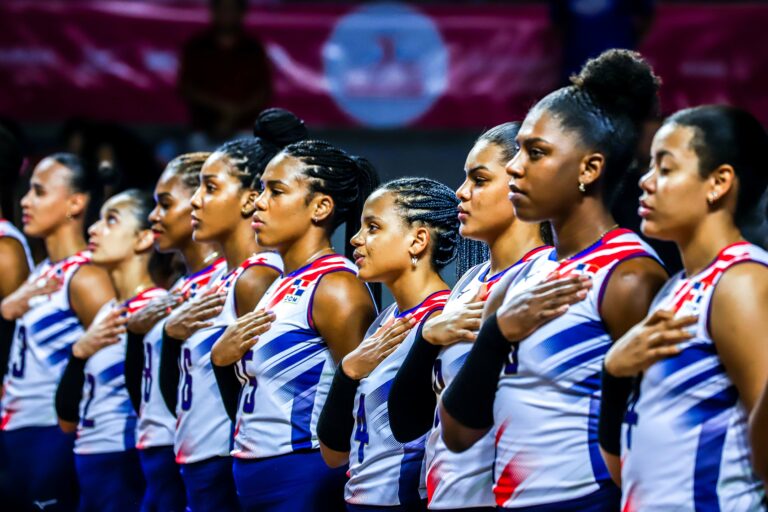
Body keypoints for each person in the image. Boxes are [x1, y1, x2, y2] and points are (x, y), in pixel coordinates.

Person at [439, 49, 668, 510]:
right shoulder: (514, 283)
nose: (514, 168)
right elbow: (460, 434)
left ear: (589, 168)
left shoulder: (628, 277)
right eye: (519, 149)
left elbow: (656, 449)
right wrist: (497, 332)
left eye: (536, 152)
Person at [599, 105, 768, 510]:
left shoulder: (741, 282)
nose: (646, 181)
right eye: (649, 165)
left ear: (718, 183)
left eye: (666, 168)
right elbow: (623, 469)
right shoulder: (676, 287)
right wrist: (614, 373)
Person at [387, 123, 551, 511]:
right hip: (445, 494)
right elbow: (408, 423)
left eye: (479, 179)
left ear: (521, 180)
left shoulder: (544, 276)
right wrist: (427, 337)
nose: (461, 192)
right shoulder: (469, 282)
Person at [210, 139, 379, 511]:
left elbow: (362, 407)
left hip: (305, 476)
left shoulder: (337, 288)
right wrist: (222, 364)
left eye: (276, 190)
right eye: (261, 189)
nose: (259, 202)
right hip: (255, 475)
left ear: (320, 207)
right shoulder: (277, 283)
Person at [160, 109, 307, 512]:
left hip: (229, 461)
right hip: (198, 459)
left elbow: (253, 390)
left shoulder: (257, 278)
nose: (195, 200)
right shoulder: (223, 279)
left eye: (209, 187)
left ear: (247, 199)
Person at [317, 177, 466, 511]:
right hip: (360, 500)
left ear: (418, 240)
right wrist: (347, 372)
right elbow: (334, 453)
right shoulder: (383, 321)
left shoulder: (445, 318)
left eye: (373, 227)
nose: (355, 240)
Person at [0, 153, 115, 511]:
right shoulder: (44, 272)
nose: (25, 201)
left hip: (52, 435)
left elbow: (113, 364)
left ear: (75, 203)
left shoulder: (87, 276)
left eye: (38, 192)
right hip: (17, 434)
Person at [124, 153, 225, 512]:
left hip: (201, 456)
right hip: (162, 451)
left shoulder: (228, 280)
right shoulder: (181, 285)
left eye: (165, 204)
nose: (154, 217)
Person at [55, 189, 165, 512]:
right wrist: (78, 353)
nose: (93, 229)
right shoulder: (107, 312)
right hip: (89, 462)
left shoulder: (156, 308)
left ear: (144, 238)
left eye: (111, 220)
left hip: (127, 462)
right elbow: (66, 418)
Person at [179, 0, 272, 147]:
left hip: (245, 131)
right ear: (213, 12)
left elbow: (264, 91)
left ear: (241, 14)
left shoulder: (253, 49)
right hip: (204, 131)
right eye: (222, 9)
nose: (226, 15)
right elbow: (186, 88)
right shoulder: (197, 47)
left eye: (231, 10)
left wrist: (235, 113)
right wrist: (221, 108)